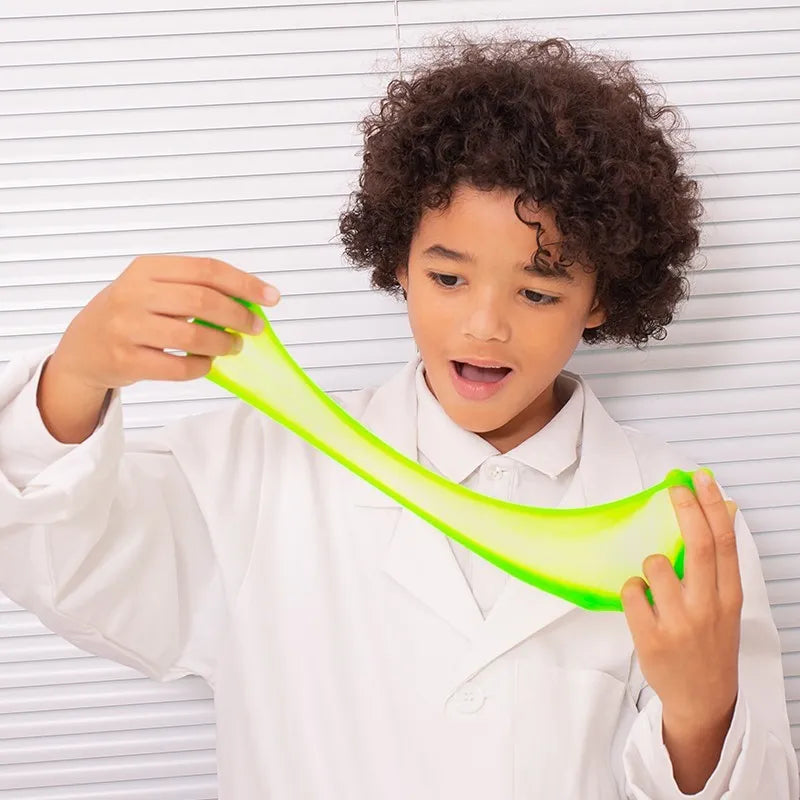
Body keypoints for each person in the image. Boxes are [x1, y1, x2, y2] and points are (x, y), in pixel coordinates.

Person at [0, 33, 796, 799]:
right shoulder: (256, 469)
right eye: (448, 278)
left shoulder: (680, 523)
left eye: (538, 291)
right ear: (398, 261)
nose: (484, 325)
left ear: (602, 298)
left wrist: (701, 712)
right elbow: (69, 566)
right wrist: (76, 376)